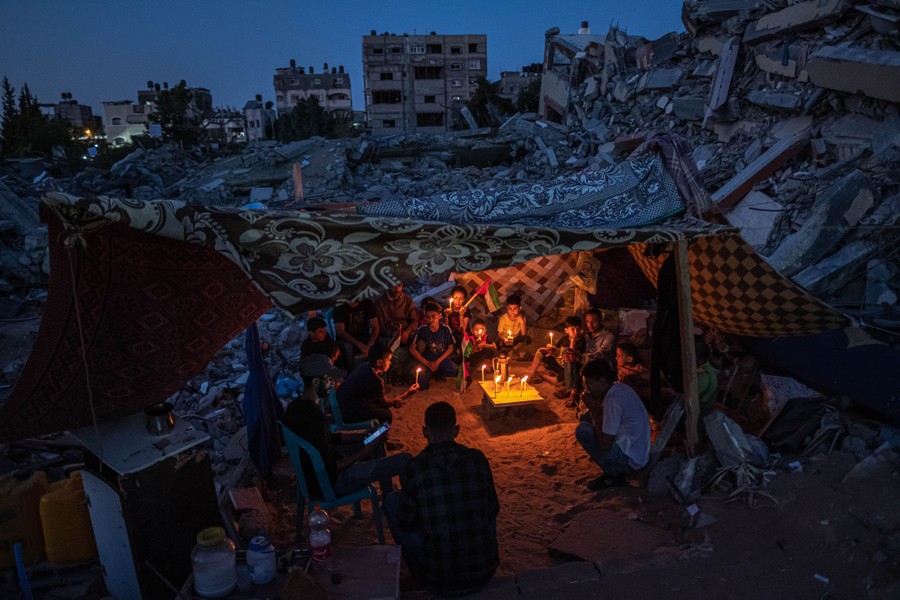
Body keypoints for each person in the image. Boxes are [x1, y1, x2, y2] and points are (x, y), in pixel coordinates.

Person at [384, 401, 500, 597]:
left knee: (392, 501)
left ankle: (416, 572)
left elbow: (406, 523)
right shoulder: (477, 459)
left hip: (438, 577)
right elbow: (493, 510)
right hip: (483, 570)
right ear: (456, 430)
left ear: (424, 431)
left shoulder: (415, 468)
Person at [283, 354, 411, 499]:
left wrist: (361, 436)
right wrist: (363, 452)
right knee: (405, 459)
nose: (333, 383)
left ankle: (388, 493)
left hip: (312, 478)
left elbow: (327, 439)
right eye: (329, 379)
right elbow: (331, 468)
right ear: (316, 381)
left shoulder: (296, 407)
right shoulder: (315, 418)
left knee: (377, 440)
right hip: (330, 484)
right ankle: (393, 499)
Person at [575, 359, 651, 491]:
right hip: (638, 450)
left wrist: (593, 411)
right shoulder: (620, 388)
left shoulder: (613, 400)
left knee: (583, 430)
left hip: (631, 460)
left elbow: (605, 444)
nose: (587, 388)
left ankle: (614, 474)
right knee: (585, 417)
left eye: (590, 384)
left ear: (603, 382)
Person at [337, 341, 419, 426]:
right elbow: (385, 403)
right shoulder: (374, 379)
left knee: (378, 407)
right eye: (388, 360)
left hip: (341, 406)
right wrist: (407, 393)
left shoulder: (365, 366)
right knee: (386, 414)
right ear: (379, 362)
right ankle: (377, 437)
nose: (390, 363)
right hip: (347, 414)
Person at [375, 282, 419, 383]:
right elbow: (380, 326)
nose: (396, 289)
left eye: (399, 286)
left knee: (420, 344)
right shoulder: (380, 302)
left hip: (405, 334)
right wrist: (394, 335)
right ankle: (396, 374)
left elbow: (414, 321)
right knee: (387, 346)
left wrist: (407, 331)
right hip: (388, 335)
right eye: (393, 285)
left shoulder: (407, 300)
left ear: (402, 286)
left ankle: (408, 372)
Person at [409, 302, 457, 390]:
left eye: (433, 316)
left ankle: (437, 372)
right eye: (428, 317)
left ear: (440, 316)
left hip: (440, 359)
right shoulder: (422, 329)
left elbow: (451, 348)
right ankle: (430, 373)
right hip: (427, 360)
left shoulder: (446, 329)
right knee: (421, 386)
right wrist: (427, 363)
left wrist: (437, 362)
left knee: (454, 370)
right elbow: (412, 349)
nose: (430, 319)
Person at [525, 316, 584, 387]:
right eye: (573, 329)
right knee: (541, 350)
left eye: (578, 330)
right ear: (566, 330)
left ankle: (541, 375)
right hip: (557, 362)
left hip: (566, 368)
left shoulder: (581, 342)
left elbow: (571, 354)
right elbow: (556, 349)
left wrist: (573, 339)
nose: (576, 332)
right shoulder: (564, 339)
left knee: (560, 383)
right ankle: (532, 373)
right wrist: (551, 348)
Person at [334, 298, 380, 371]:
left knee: (378, 343)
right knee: (348, 347)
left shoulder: (367, 302)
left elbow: (375, 326)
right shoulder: (340, 306)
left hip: (363, 335)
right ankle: (350, 374)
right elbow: (340, 331)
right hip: (346, 338)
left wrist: (371, 342)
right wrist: (359, 344)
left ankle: (374, 372)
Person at [496, 294, 531, 360]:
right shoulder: (503, 319)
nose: (512, 311)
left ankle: (514, 349)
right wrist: (505, 339)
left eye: (515, 308)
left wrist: (521, 321)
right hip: (505, 340)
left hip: (515, 340)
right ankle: (508, 350)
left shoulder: (522, 318)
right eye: (510, 308)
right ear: (507, 308)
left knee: (527, 338)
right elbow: (499, 334)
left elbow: (523, 334)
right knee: (499, 343)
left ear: (520, 308)